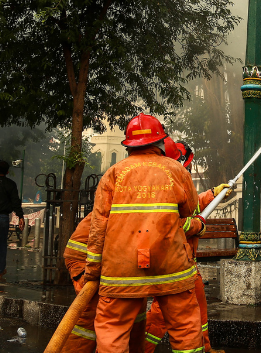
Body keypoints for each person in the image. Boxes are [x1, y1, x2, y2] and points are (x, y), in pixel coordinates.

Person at [85, 113, 206, 353]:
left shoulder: (113, 174)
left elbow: (98, 228)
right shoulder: (176, 170)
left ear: (129, 145)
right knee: (185, 327)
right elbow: (190, 210)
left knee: (112, 330)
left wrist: (93, 272)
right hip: (170, 266)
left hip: (120, 270)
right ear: (161, 142)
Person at [145, 138, 230, 353]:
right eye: (188, 165)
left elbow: (190, 206)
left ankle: (206, 348)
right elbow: (168, 224)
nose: (189, 169)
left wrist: (212, 194)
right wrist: (196, 226)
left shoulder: (174, 179)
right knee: (161, 314)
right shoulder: (163, 182)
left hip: (186, 261)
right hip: (170, 262)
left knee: (199, 308)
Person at [63, 213, 146, 352]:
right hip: (87, 261)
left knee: (136, 315)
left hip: (110, 264)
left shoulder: (141, 200)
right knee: (90, 319)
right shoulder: (132, 201)